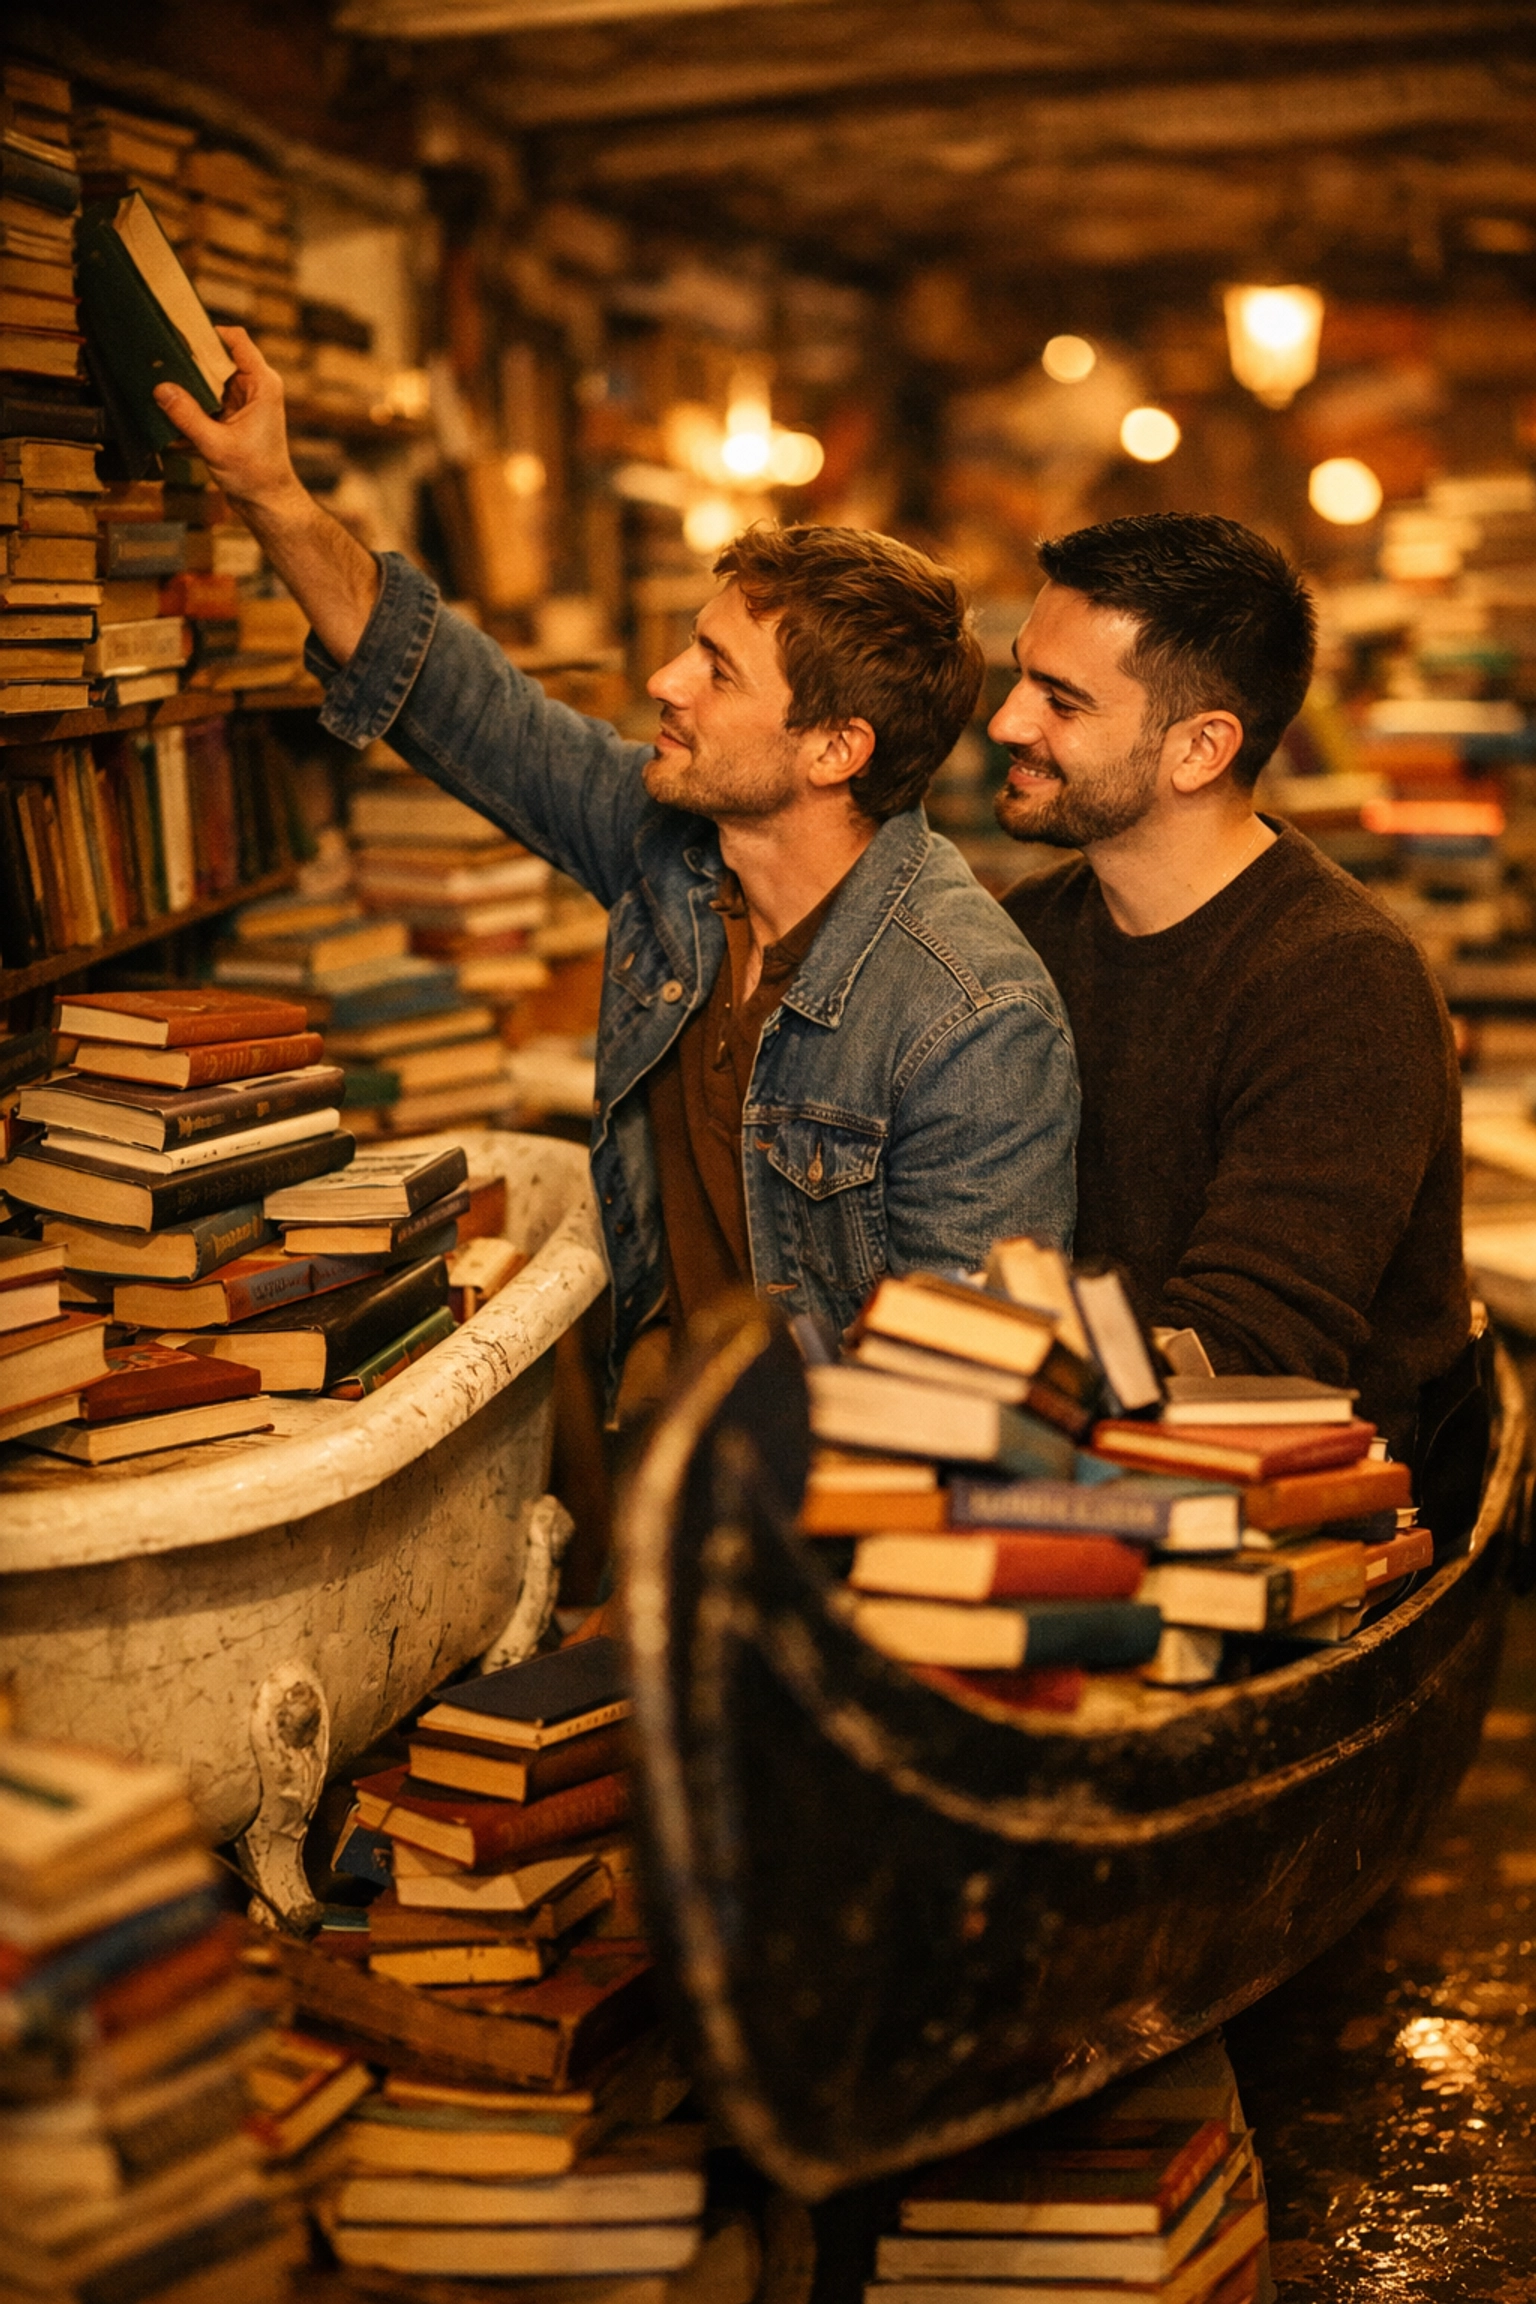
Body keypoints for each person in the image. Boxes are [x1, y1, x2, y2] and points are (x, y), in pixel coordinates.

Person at [155, 336, 1078, 1405]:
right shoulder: (675, 851)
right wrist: (269, 490)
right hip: (672, 1429)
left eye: (717, 670)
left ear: (836, 749)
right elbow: (460, 699)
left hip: (819, 1508)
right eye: (693, 644)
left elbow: (972, 1400)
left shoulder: (973, 1017)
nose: (664, 681)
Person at [992, 512, 1469, 1462]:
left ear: (1202, 749)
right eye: (1020, 674)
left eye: (1063, 699)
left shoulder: (1341, 981)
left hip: (1304, 1530)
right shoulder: (1032, 927)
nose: (1007, 720)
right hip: (1079, 1460)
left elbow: (1247, 1355)